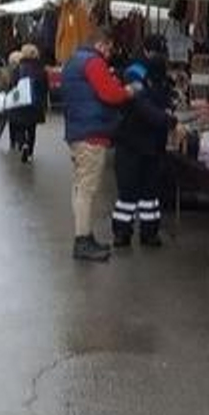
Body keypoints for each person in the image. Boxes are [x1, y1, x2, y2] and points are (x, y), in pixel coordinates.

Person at [62, 26, 136, 262]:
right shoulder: (93, 62)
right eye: (109, 48)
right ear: (101, 44)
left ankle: (85, 236)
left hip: (78, 131)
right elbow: (110, 94)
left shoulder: (74, 60)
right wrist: (128, 91)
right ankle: (82, 241)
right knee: (87, 189)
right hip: (91, 133)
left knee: (80, 187)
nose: (109, 53)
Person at [113, 35, 176, 247]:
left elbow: (162, 104)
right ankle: (126, 232)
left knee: (147, 192)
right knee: (132, 191)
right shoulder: (135, 74)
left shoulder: (158, 79)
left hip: (146, 144)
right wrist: (168, 119)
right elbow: (141, 106)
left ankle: (144, 232)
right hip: (134, 141)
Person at [9, 43, 49, 164]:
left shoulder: (18, 68)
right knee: (32, 128)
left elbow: (13, 85)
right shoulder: (41, 69)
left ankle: (23, 143)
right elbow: (45, 88)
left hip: (21, 101)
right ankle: (30, 152)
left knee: (20, 125)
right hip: (35, 102)